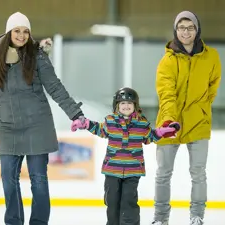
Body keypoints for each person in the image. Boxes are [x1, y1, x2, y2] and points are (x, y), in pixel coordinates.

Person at [0, 12, 85, 225]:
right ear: (9, 32)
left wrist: (75, 113)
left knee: (39, 181)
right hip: (9, 126)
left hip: (37, 125)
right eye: (17, 31)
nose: (21, 36)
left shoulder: (37, 56)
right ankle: (14, 222)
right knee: (8, 182)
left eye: (25, 31)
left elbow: (54, 87)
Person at [151, 10, 222, 225]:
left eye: (190, 27)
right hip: (168, 123)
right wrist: (170, 120)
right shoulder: (167, 60)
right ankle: (160, 218)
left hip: (198, 122)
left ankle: (197, 216)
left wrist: (199, 109)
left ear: (197, 29)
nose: (186, 32)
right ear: (176, 30)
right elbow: (166, 93)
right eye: (181, 27)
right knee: (163, 173)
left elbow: (212, 88)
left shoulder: (212, 56)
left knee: (198, 173)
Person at [71, 87, 181, 225]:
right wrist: (85, 123)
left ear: (135, 105)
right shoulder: (110, 121)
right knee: (112, 202)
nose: (126, 106)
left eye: (130, 103)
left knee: (129, 201)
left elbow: (149, 137)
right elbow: (99, 129)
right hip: (112, 170)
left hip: (133, 171)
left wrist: (163, 132)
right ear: (117, 106)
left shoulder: (141, 123)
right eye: (122, 103)